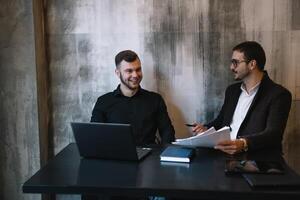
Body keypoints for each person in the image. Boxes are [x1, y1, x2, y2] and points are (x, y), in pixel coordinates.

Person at [191, 41, 292, 154]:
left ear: (252, 64)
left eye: (235, 62)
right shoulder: (232, 91)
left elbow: (274, 134)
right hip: (224, 156)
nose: (231, 67)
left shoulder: (278, 94)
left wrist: (244, 143)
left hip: (257, 160)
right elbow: (221, 121)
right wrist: (206, 130)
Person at [91, 50, 175, 146]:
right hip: (116, 158)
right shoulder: (103, 101)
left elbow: (167, 133)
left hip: (149, 157)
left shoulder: (155, 100)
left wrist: (164, 155)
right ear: (118, 73)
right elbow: (95, 137)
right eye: (129, 71)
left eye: (138, 69)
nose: (135, 75)